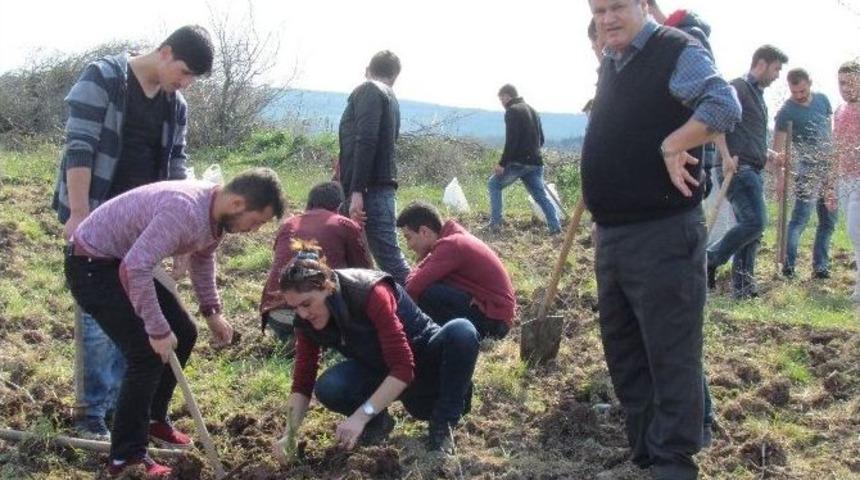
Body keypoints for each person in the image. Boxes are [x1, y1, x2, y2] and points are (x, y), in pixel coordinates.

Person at [583, 1, 741, 479]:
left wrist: (675, 142)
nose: (607, 18)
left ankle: (674, 463)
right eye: (598, 9)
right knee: (624, 351)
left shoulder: (676, 50)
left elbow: (724, 104)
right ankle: (648, 455)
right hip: (614, 233)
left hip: (662, 233)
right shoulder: (613, 59)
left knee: (670, 353)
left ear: (642, 5)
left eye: (617, 7)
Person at [64, 168, 284, 477]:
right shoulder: (184, 210)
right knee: (146, 351)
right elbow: (136, 268)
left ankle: (152, 417)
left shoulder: (216, 216)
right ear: (237, 203)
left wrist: (211, 311)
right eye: (257, 221)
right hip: (91, 265)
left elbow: (203, 258)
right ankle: (126, 458)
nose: (255, 230)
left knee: (184, 331)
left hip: (121, 261)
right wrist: (156, 329)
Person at [50, 25, 214, 441]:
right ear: (165, 52)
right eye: (185, 72)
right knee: (98, 318)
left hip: (144, 224)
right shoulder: (104, 77)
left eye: (192, 79)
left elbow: (177, 164)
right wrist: (81, 212)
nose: (186, 84)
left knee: (136, 314)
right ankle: (91, 415)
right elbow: (80, 145)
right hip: (98, 215)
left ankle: (127, 410)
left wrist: (181, 238)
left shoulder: (174, 104)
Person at [271, 243, 479, 459]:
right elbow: (302, 382)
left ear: (327, 287)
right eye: (295, 307)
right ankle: (377, 425)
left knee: (462, 331)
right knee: (330, 386)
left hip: (424, 365)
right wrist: (290, 434)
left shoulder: (369, 291)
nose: (303, 314)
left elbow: (404, 368)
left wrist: (360, 416)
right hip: (381, 368)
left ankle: (443, 427)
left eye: (307, 303)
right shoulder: (305, 322)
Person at [706, 46, 789, 298]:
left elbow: (748, 136)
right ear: (761, 64)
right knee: (756, 222)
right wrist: (724, 154)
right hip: (737, 168)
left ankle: (743, 289)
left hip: (751, 166)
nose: (777, 75)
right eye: (776, 69)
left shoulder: (757, 94)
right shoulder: (737, 88)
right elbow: (716, 121)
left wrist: (769, 155)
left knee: (750, 231)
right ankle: (709, 259)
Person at [260, 181, 373, 342]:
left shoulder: (287, 224)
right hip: (316, 317)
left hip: (276, 316)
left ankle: (295, 343)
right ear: (339, 205)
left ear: (310, 203)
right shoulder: (344, 224)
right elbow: (365, 274)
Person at [336, 50, 410, 285]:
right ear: (395, 76)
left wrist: (357, 189)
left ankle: (424, 311)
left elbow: (366, 140)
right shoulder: (391, 98)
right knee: (357, 255)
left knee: (390, 261)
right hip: (378, 188)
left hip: (369, 191)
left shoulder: (369, 90)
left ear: (368, 70)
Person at [396, 201, 515, 339]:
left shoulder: (452, 244)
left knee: (428, 293)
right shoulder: (450, 239)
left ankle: (442, 337)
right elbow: (416, 274)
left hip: (494, 323)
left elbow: (413, 287)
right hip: (494, 316)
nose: (409, 246)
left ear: (424, 232)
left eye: (408, 238)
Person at [774, 68, 837, 279]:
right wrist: (780, 175)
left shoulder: (823, 100)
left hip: (828, 166)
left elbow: (829, 131)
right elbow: (779, 148)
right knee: (800, 219)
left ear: (810, 83)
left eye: (802, 90)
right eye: (795, 92)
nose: (799, 96)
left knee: (828, 220)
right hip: (807, 168)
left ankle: (820, 266)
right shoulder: (786, 112)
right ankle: (789, 266)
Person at [487, 84, 561, 234]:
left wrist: (502, 163)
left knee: (494, 184)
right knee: (540, 196)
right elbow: (541, 140)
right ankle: (555, 227)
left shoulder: (512, 111)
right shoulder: (533, 110)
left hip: (519, 163)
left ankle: (495, 224)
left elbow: (511, 140)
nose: (501, 102)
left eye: (501, 98)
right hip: (536, 162)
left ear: (507, 96)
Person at [833, 60, 860, 301]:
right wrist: (831, 186)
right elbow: (836, 148)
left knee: (856, 229)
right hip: (847, 178)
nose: (844, 87)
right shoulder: (840, 112)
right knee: (854, 233)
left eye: (849, 82)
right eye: (841, 82)